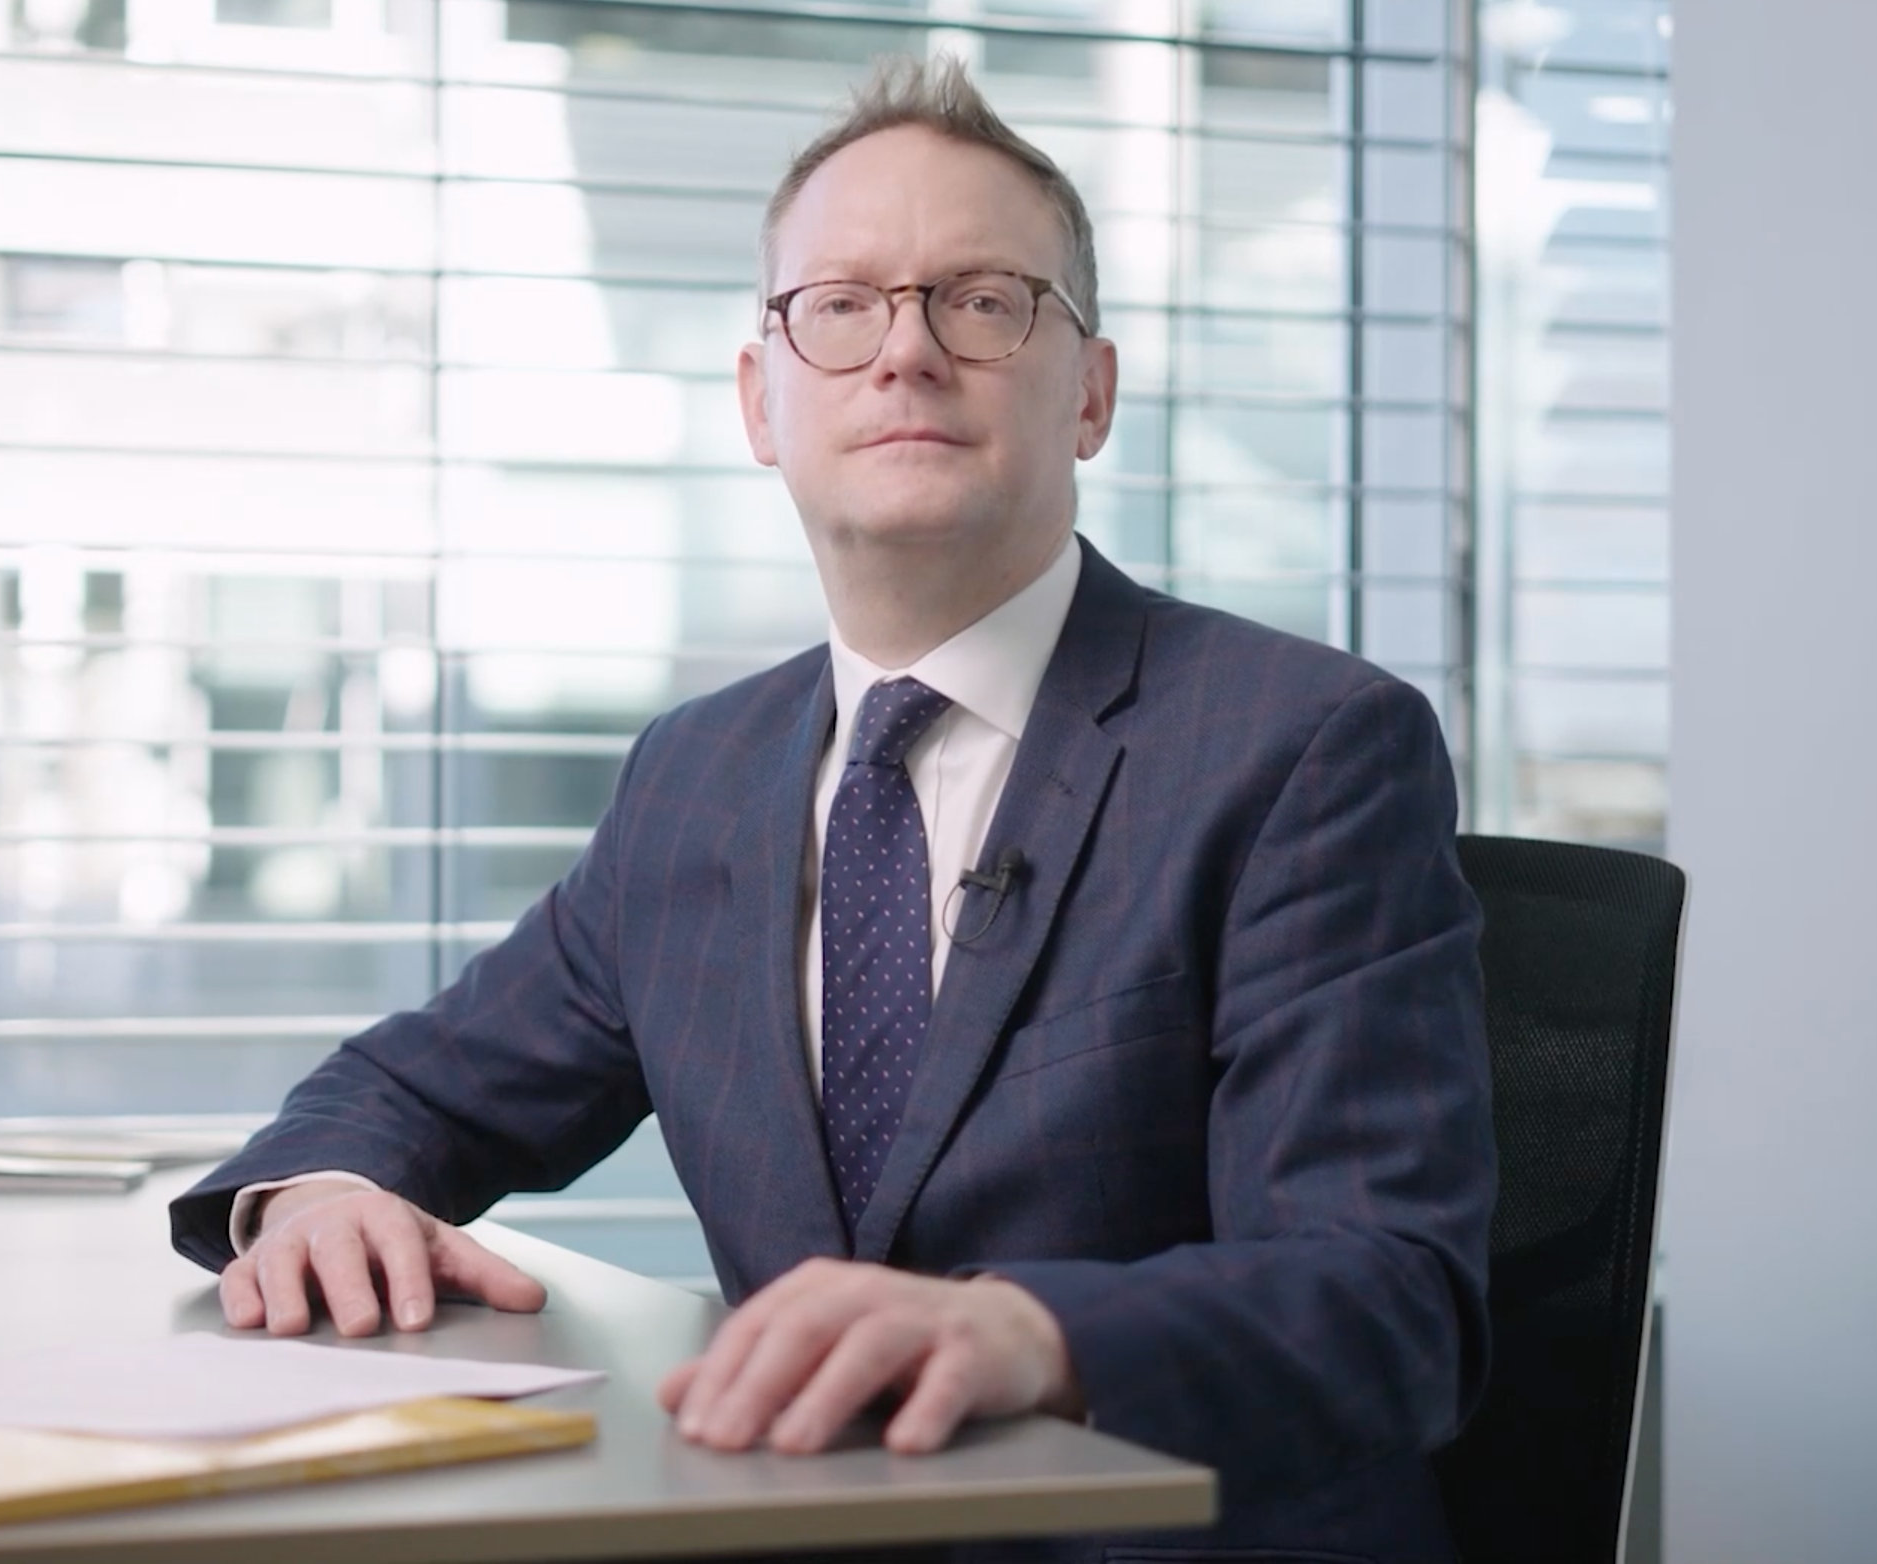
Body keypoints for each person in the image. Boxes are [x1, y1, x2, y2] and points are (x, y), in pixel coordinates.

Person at [171, 54, 1494, 1563]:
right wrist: (325, 1192)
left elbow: (1389, 1303)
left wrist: (1020, 1336)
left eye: (983, 300)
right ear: (760, 398)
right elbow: (418, 1089)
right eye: (843, 305)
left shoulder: (1306, 750)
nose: (906, 354)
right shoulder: (698, 777)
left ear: (1093, 393)